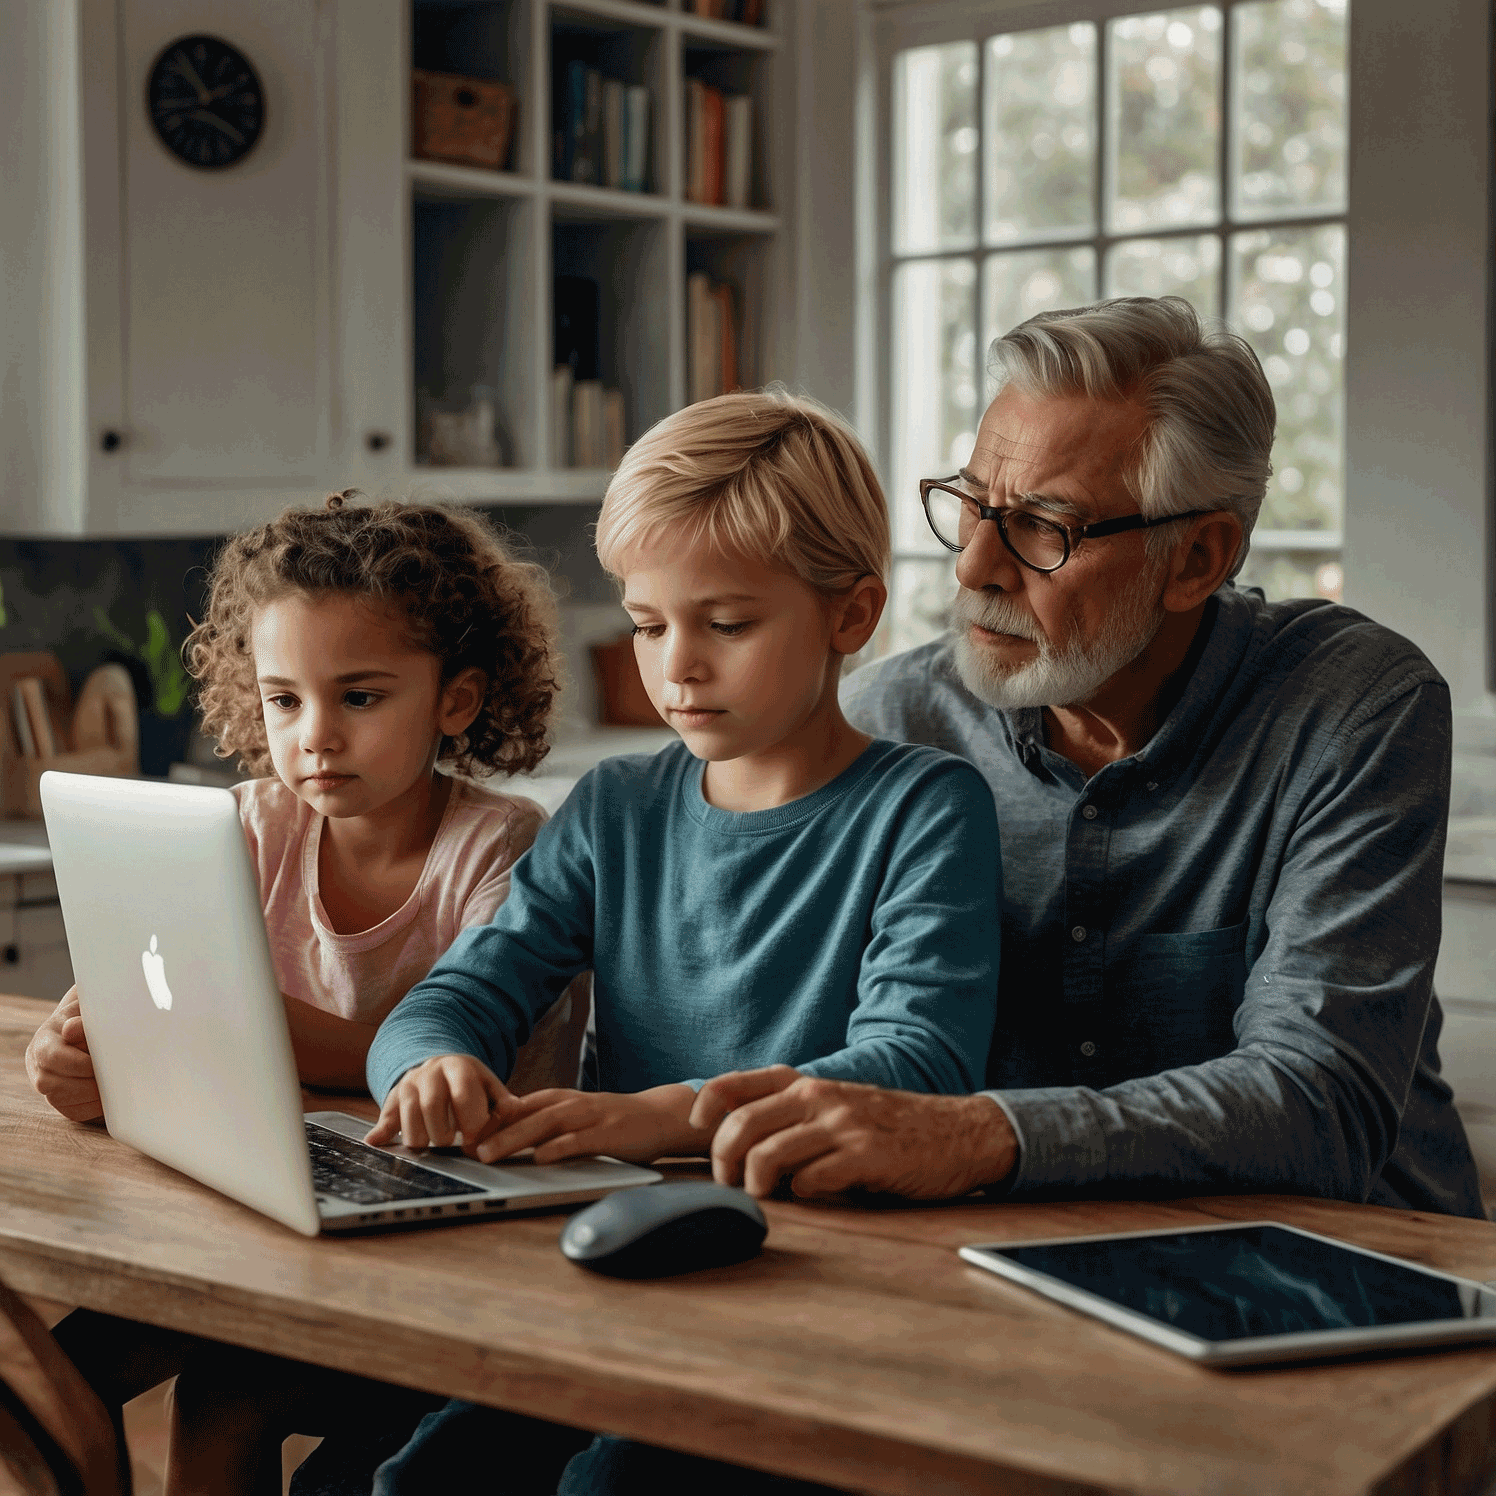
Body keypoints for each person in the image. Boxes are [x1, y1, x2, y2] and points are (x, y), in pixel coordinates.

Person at [690, 295, 1485, 1223]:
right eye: (973, 506)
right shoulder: (887, 721)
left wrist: (976, 1137)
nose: (974, 566)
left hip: (1360, 1275)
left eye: (1041, 527)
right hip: (1011, 1258)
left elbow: (1321, 1103)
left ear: (1196, 559)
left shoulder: (1353, 707)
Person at [338, 388, 1002, 1495]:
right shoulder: (614, 809)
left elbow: (917, 1064)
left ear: (851, 613)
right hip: (621, 1247)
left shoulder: (926, 807)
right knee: (417, 1478)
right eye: (647, 624)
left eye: (725, 624)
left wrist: (656, 1116)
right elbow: (449, 1000)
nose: (676, 664)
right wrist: (433, 1065)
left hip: (825, 1272)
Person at [24, 493, 586, 1495]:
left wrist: (256, 1029)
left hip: (446, 1230)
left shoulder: (496, 850)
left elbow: (461, 1075)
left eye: (359, 697)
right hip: (273, 1198)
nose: (315, 736)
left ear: (453, 700)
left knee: (221, 1399)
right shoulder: (246, 825)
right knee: (48, 1377)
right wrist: (88, 1050)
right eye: (285, 700)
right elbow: (150, 995)